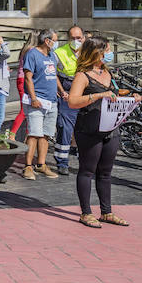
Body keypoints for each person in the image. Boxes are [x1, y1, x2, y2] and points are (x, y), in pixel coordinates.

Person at [67, 37, 128, 228]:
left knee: (105, 172)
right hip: (90, 128)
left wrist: (130, 96)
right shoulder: (82, 76)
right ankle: (86, 213)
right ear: (96, 53)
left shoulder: (107, 72)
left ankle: (106, 212)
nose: (109, 54)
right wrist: (99, 95)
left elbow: (114, 94)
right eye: (106, 51)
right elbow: (73, 101)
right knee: (87, 170)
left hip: (110, 127)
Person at [21, 29, 60, 180]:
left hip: (52, 101)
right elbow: (28, 78)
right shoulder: (32, 54)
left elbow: (54, 75)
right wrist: (33, 98)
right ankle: (28, 166)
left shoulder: (51, 55)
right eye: (55, 40)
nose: (56, 43)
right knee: (34, 133)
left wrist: (60, 90)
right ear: (47, 40)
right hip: (37, 101)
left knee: (46, 134)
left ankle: (41, 164)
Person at [52, 24, 86, 177]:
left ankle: (85, 162)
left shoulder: (88, 52)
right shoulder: (59, 52)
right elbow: (54, 74)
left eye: (79, 38)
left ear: (83, 38)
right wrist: (61, 91)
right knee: (65, 127)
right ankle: (62, 162)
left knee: (84, 128)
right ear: (68, 38)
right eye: (73, 38)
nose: (76, 40)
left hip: (84, 90)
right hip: (66, 88)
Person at [9, 33, 37, 137]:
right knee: (24, 109)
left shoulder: (25, 48)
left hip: (20, 78)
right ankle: (12, 134)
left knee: (28, 109)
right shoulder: (32, 50)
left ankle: (28, 135)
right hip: (25, 79)